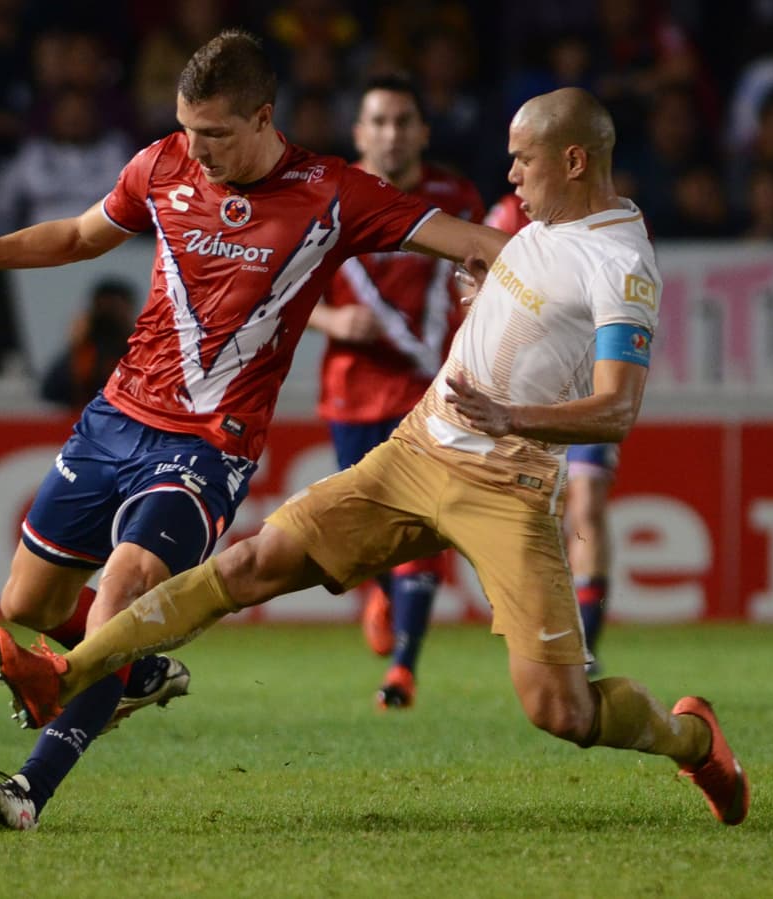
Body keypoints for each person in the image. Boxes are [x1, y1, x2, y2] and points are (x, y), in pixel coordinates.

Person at [0, 87, 751, 828]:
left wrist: (510, 414)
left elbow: (617, 409)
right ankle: (69, 670)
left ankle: (694, 739)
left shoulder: (621, 264)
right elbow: (517, 284)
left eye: (523, 161)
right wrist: (485, 292)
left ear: (576, 160)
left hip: (508, 486)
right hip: (417, 451)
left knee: (561, 710)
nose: (511, 175)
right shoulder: (539, 224)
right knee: (249, 564)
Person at [0, 29, 504, 830]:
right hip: (117, 416)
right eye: (187, 129)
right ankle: (130, 667)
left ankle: (26, 792)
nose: (197, 149)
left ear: (263, 117)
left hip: (210, 442)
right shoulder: (161, 165)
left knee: (121, 590)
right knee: (29, 600)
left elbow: (473, 240)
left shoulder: (333, 192)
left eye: (214, 134)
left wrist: (503, 272)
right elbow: (79, 236)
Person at [308, 74, 483, 709]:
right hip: (353, 390)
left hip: (434, 392)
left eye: (404, 120)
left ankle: (404, 668)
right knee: (359, 536)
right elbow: (284, 291)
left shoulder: (454, 195)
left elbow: (480, 274)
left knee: (424, 524)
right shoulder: (325, 195)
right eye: (379, 121)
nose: (392, 133)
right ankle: (383, 593)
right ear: (359, 132)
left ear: (423, 131)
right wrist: (332, 320)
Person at [487, 191, 617, 671]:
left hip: (585, 385)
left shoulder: (606, 222)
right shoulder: (502, 218)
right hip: (523, 389)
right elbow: (473, 304)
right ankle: (543, 638)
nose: (518, 172)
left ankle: (586, 648)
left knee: (586, 505)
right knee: (529, 517)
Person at [38, 278, 137, 411]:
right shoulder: (79, 357)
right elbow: (51, 397)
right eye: (102, 308)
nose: (108, 319)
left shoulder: (140, 357)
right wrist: (75, 346)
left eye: (115, 309)